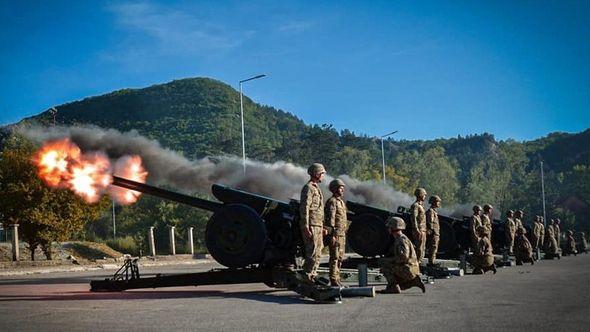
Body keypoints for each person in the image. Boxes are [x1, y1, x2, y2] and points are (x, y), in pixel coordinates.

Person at [379, 216, 425, 294]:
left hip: (408, 269)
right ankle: (412, 282)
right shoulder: (401, 238)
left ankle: (394, 287)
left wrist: (390, 260)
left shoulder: (401, 240)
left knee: (384, 265)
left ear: (392, 228)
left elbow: (404, 257)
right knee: (387, 262)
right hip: (410, 268)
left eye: (389, 227)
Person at [299, 163, 326, 282]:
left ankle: (313, 274)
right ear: (316, 173)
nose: (323, 176)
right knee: (312, 251)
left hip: (318, 224)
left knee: (318, 251)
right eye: (322, 173)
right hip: (312, 225)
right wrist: (305, 226)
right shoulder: (308, 188)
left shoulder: (316, 188)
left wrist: (323, 225)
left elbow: (319, 209)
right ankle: (307, 275)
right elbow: (305, 207)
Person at [324, 178, 348, 286]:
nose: (342, 189)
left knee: (340, 258)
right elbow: (330, 220)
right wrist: (332, 235)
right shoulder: (332, 201)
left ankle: (337, 278)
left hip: (341, 234)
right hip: (335, 234)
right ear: (334, 189)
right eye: (340, 187)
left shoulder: (341, 202)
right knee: (334, 257)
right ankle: (333, 279)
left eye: (343, 187)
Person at [409, 187, 427, 262]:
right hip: (419, 230)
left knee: (422, 248)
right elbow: (414, 218)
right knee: (419, 248)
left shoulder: (421, 206)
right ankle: (417, 263)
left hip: (423, 229)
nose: (425, 197)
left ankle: (419, 262)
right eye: (424, 195)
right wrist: (416, 229)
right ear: (420, 195)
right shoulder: (415, 206)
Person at [426, 195, 441, 266]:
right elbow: (430, 222)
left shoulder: (434, 211)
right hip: (434, 233)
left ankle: (432, 261)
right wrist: (432, 231)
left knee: (434, 247)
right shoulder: (431, 211)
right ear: (433, 202)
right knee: (433, 247)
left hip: (436, 233)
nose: (439, 203)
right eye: (437, 202)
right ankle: (431, 262)